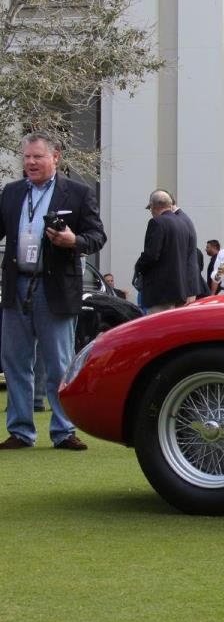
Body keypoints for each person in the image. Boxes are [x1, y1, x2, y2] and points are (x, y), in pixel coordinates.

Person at [0, 132, 107, 450]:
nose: (30, 163)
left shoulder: (76, 193)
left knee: (59, 362)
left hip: (55, 287)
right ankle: (20, 430)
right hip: (17, 283)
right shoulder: (12, 192)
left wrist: (74, 241)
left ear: (55, 158)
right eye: (27, 157)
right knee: (15, 360)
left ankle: (63, 430)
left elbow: (97, 236)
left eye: (37, 157)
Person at [134, 190, 201, 314]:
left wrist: (138, 266)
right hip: (180, 290)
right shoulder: (182, 222)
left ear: (153, 206)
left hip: (161, 291)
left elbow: (152, 255)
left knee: (156, 329)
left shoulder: (157, 222)